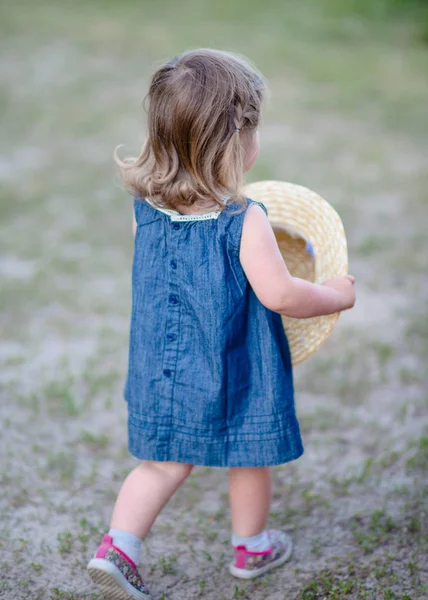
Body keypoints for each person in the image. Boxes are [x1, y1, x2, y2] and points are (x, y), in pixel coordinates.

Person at [87, 49, 355, 600]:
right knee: (247, 452)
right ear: (237, 142)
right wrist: (332, 295)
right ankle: (251, 547)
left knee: (161, 464)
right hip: (233, 361)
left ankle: (118, 548)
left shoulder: (147, 208)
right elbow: (279, 293)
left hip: (164, 364)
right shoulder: (245, 220)